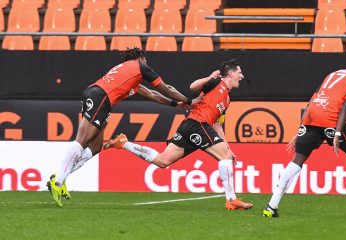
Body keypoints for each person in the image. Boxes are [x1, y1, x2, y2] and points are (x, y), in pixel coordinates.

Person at [47, 47, 193, 207]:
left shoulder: (127, 73)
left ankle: (59, 176)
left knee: (95, 147)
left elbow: (152, 94)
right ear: (141, 58)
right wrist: (188, 101)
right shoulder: (139, 67)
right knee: (82, 140)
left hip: (96, 95)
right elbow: (164, 88)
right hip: (101, 97)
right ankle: (59, 181)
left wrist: (175, 104)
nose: (147, 63)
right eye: (146, 60)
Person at [104, 59, 254, 210]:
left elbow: (217, 125)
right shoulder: (216, 83)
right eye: (240, 73)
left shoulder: (227, 100)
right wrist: (210, 77)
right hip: (197, 124)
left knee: (162, 161)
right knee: (224, 158)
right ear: (231, 73)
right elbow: (193, 86)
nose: (242, 76)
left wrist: (228, 147)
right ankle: (231, 200)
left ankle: (123, 143)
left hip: (190, 126)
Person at [262, 53, 346, 219]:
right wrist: (336, 133)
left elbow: (313, 100)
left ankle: (271, 206)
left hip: (311, 117)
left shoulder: (332, 74)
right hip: (331, 119)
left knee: (297, 161)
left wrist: (300, 129)